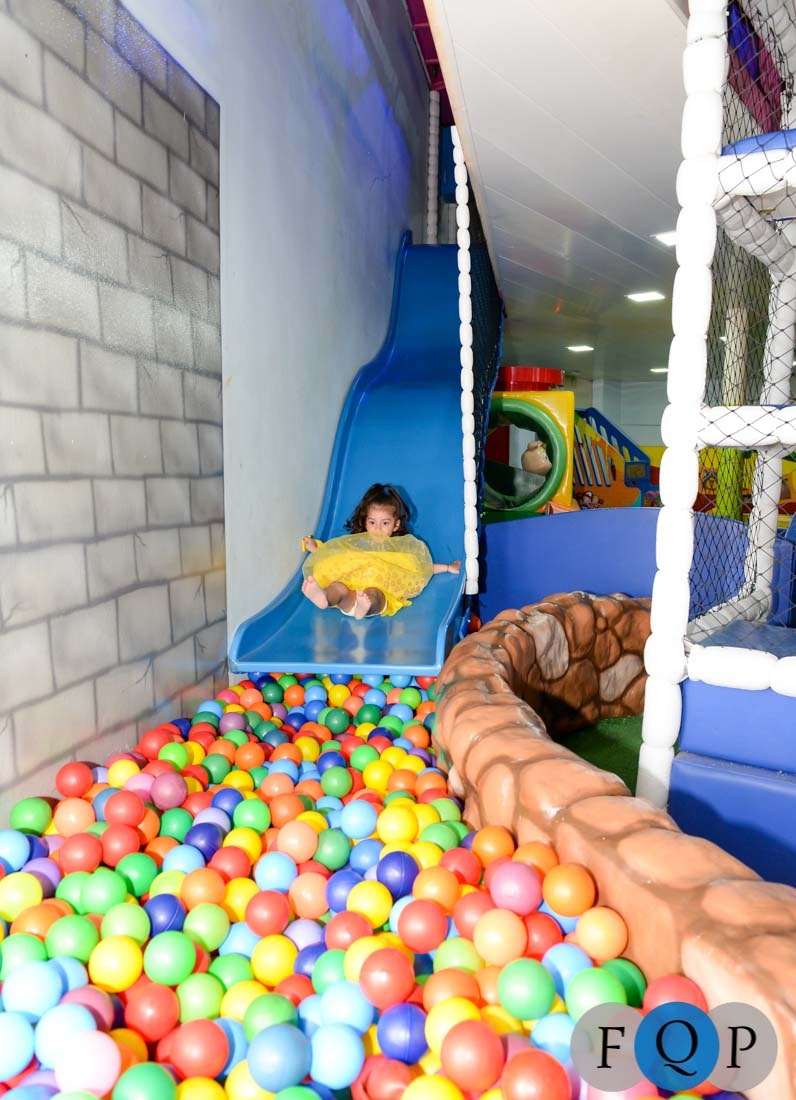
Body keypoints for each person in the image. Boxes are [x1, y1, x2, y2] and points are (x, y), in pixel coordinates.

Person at [300, 483, 461, 619]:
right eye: (372, 522)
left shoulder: (398, 549)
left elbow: (419, 567)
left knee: (374, 594)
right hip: (350, 592)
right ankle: (325, 597)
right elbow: (336, 555)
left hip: (376, 593)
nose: (377, 528)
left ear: (396, 525)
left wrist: (448, 567)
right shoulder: (358, 542)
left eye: (385, 523)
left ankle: (365, 608)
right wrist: (315, 548)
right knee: (338, 587)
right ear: (365, 522)